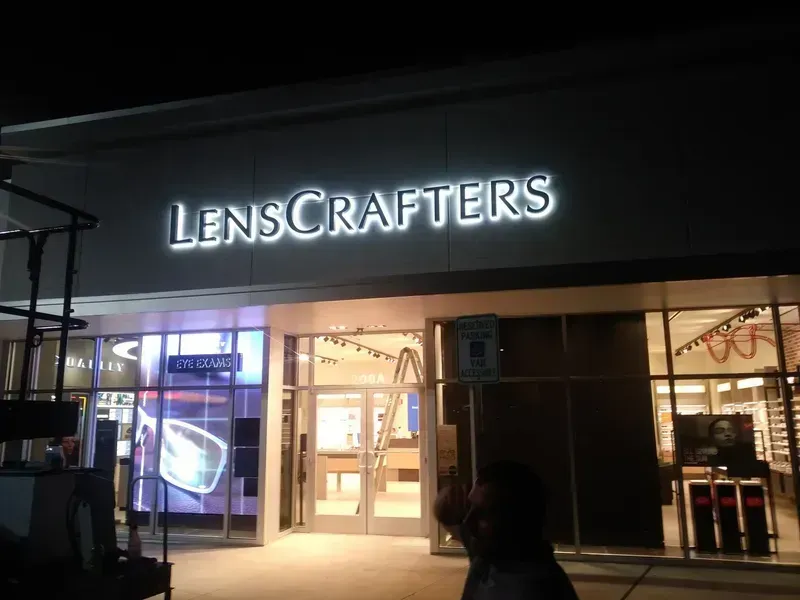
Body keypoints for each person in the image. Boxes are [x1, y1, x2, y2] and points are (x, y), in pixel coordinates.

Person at [434, 460, 578, 599]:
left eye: (483, 513)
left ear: (517, 520)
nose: (468, 521)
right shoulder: (490, 554)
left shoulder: (529, 589)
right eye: (470, 507)